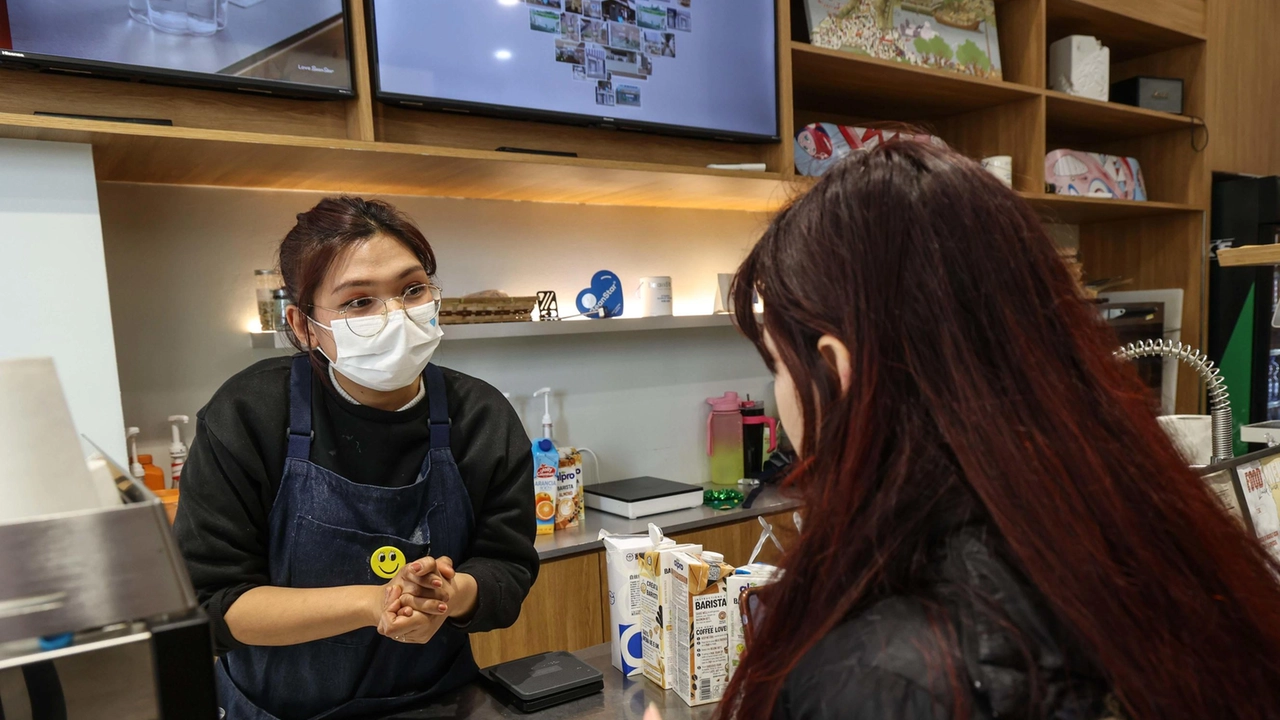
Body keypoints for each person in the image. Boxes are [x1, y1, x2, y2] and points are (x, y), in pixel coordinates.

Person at [707, 142, 1280, 719]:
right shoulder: (1130, 535)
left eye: (778, 367)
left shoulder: (880, 674)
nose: (780, 397)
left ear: (838, 369)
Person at [174, 197, 538, 720]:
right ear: (302, 327)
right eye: (358, 303)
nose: (395, 316)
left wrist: (446, 594)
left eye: (412, 290)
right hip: (277, 710)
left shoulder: (480, 416)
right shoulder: (249, 413)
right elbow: (213, 602)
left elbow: (507, 568)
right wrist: (375, 603)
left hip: (437, 702)